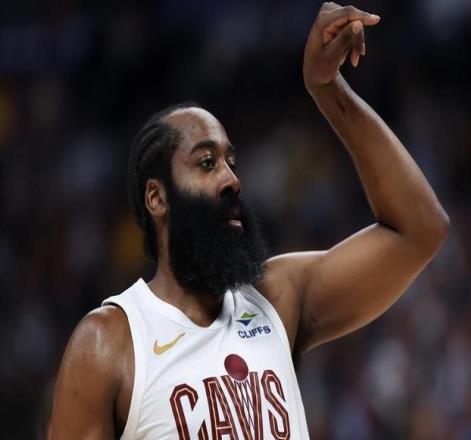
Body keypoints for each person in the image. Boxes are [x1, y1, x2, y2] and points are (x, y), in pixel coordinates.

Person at [49, 3, 449, 439]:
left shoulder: (276, 297)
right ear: (157, 197)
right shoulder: (108, 343)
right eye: (206, 163)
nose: (232, 180)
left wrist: (328, 89)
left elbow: (420, 229)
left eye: (231, 162)